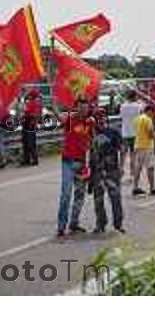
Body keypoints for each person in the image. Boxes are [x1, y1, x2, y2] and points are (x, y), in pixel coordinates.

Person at [57, 97, 95, 237]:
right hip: (67, 162)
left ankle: (74, 223)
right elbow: (57, 115)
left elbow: (93, 140)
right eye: (81, 107)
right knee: (66, 194)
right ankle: (61, 226)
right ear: (76, 107)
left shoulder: (90, 122)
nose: (83, 110)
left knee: (80, 195)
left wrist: (92, 161)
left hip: (81, 163)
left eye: (86, 107)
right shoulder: (69, 119)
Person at [90, 108, 125, 233]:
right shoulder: (91, 133)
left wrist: (121, 166)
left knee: (115, 198)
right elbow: (89, 152)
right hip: (97, 171)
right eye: (97, 117)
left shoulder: (113, 132)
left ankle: (118, 223)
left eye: (102, 117)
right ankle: (100, 223)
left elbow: (122, 149)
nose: (100, 120)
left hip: (112, 170)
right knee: (98, 199)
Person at [132, 104, 155, 196]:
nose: (153, 115)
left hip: (137, 145)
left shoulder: (137, 119)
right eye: (152, 112)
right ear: (149, 111)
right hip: (147, 146)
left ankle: (135, 187)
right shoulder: (148, 120)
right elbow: (150, 134)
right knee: (150, 167)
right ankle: (152, 187)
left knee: (138, 167)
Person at [119, 90, 143, 178]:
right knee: (133, 154)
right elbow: (141, 115)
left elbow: (121, 117)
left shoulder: (123, 106)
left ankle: (121, 169)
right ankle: (132, 172)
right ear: (135, 97)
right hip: (135, 133)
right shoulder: (138, 106)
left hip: (125, 132)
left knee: (123, 153)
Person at [21, 88, 41, 166]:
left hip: (30, 124)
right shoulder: (31, 103)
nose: (28, 96)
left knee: (30, 143)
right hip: (27, 123)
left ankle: (34, 159)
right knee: (26, 142)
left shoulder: (35, 103)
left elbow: (34, 115)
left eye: (30, 94)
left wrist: (26, 115)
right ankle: (27, 159)